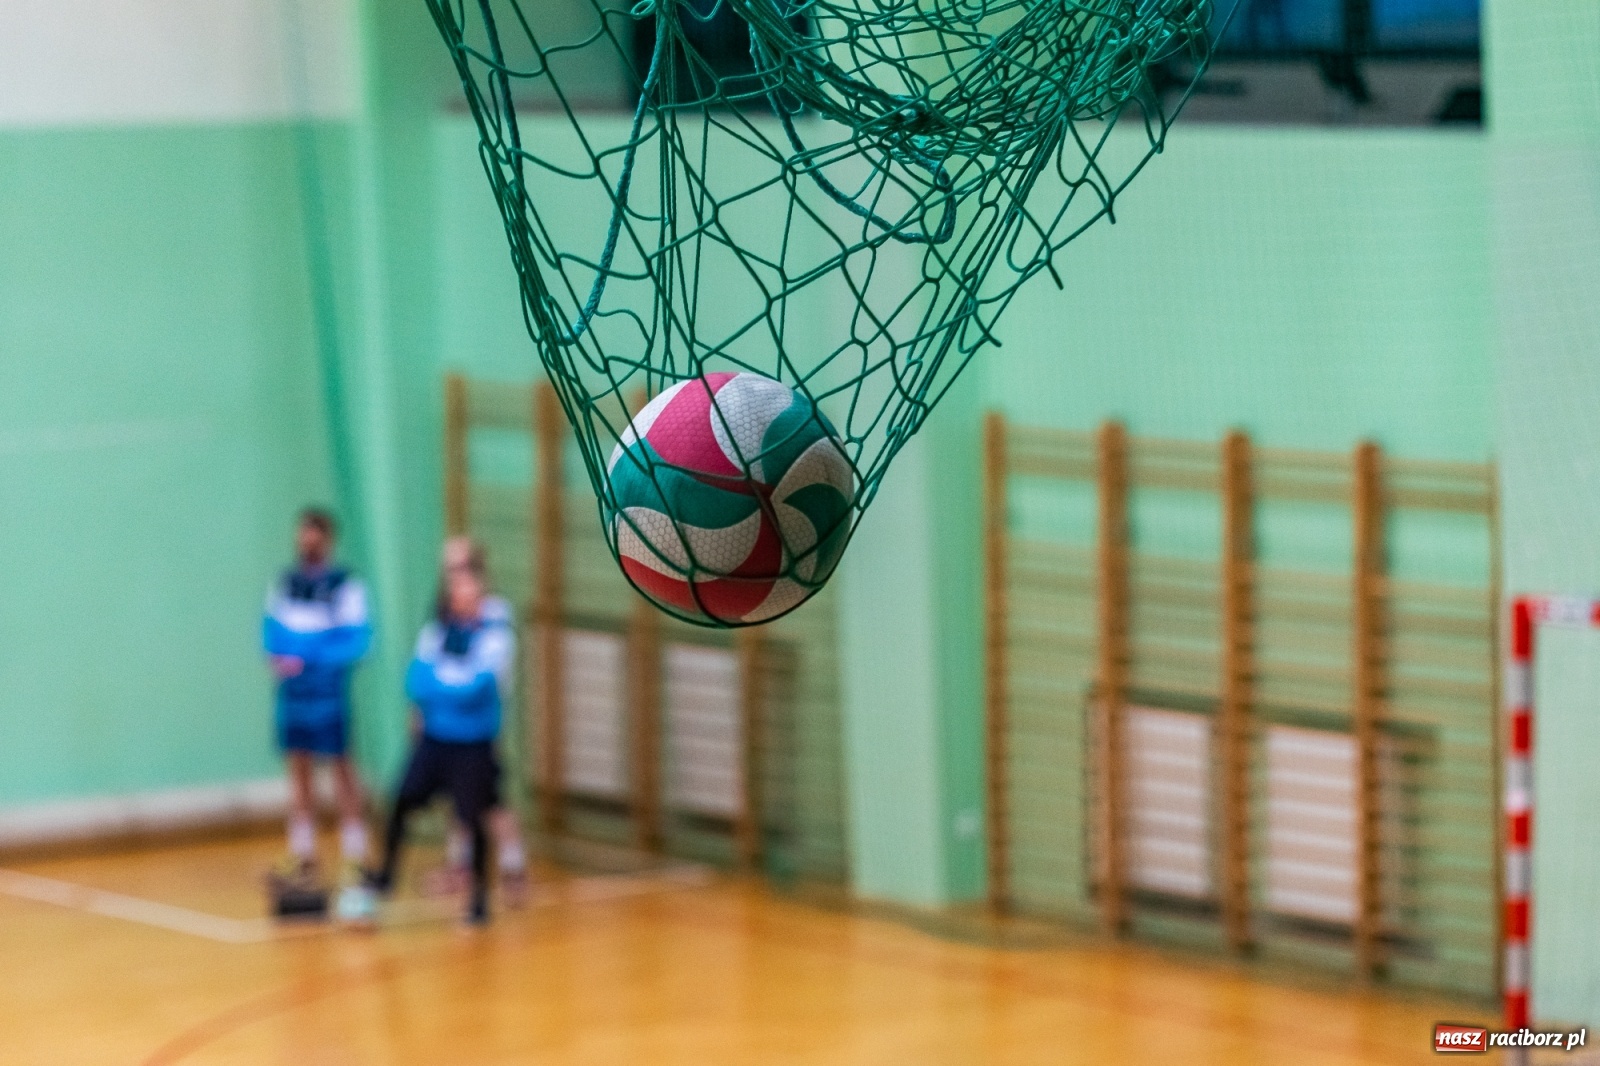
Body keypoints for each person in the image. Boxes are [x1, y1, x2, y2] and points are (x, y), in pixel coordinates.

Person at [367, 559, 515, 924]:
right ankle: (385, 875)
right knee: (401, 802)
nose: (461, 597)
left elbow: (477, 689)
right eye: (456, 591)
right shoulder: (436, 633)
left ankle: (479, 897)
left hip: (472, 744)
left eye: (469, 590)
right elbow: (416, 681)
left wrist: (442, 687)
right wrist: (447, 688)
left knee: (473, 818)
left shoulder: (495, 637)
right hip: (435, 742)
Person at [262, 508, 373, 889]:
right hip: (293, 697)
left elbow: (356, 641)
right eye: (302, 534)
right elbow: (272, 634)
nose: (307, 541)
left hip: (328, 695)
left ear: (327, 539)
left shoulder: (345, 586)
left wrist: (307, 657)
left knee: (343, 774)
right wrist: (283, 658)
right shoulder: (285, 583)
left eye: (315, 535)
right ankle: (304, 855)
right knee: (300, 775)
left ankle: (356, 857)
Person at [425, 537, 531, 906]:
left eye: (458, 568)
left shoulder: (494, 615)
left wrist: (458, 690)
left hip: (481, 723)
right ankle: (462, 866)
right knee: (461, 798)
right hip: (449, 724)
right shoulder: (446, 614)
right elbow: (429, 664)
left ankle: (513, 868)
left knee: (491, 797)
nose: (451, 576)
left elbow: (488, 675)